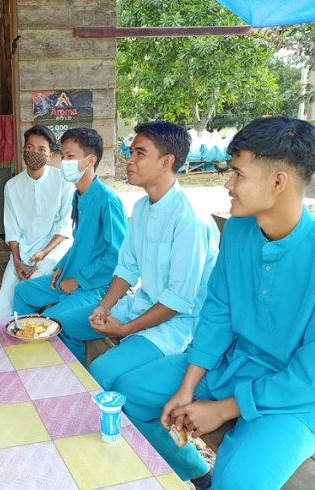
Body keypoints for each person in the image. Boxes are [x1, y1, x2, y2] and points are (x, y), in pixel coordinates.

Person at [116, 117, 315, 490]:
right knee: (128, 397)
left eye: (238, 174)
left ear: (278, 181)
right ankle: (195, 473)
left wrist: (223, 410)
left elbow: (308, 376)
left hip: (291, 398)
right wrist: (188, 386)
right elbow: (218, 312)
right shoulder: (239, 229)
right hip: (227, 366)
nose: (227, 184)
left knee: (238, 483)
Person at [54, 121, 220, 374]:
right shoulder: (142, 207)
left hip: (178, 324)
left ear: (166, 161)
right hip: (139, 306)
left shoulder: (190, 220)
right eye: (131, 152)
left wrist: (125, 329)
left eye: (140, 153)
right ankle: (70, 386)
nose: (130, 160)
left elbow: (178, 300)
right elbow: (127, 267)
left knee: (102, 371)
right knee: (62, 326)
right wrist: (104, 307)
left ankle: (93, 399)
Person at [13, 127, 127, 323]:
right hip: (72, 273)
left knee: (52, 321)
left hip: (96, 284)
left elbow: (117, 255)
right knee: (23, 291)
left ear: (91, 160)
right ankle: (26, 340)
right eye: (63, 156)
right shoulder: (78, 195)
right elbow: (80, 242)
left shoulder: (107, 200)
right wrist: (62, 266)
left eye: (71, 156)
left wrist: (78, 281)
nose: (64, 162)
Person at [0, 124, 74, 318]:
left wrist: (44, 252)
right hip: (24, 250)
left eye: (41, 149)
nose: (34, 152)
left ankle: (34, 326)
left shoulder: (63, 181)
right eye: (29, 147)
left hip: (55, 247)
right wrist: (17, 260)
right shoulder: (12, 186)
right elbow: (11, 228)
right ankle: (2, 337)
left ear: (50, 155)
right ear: (22, 150)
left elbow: (65, 224)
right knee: (6, 295)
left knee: (35, 280)